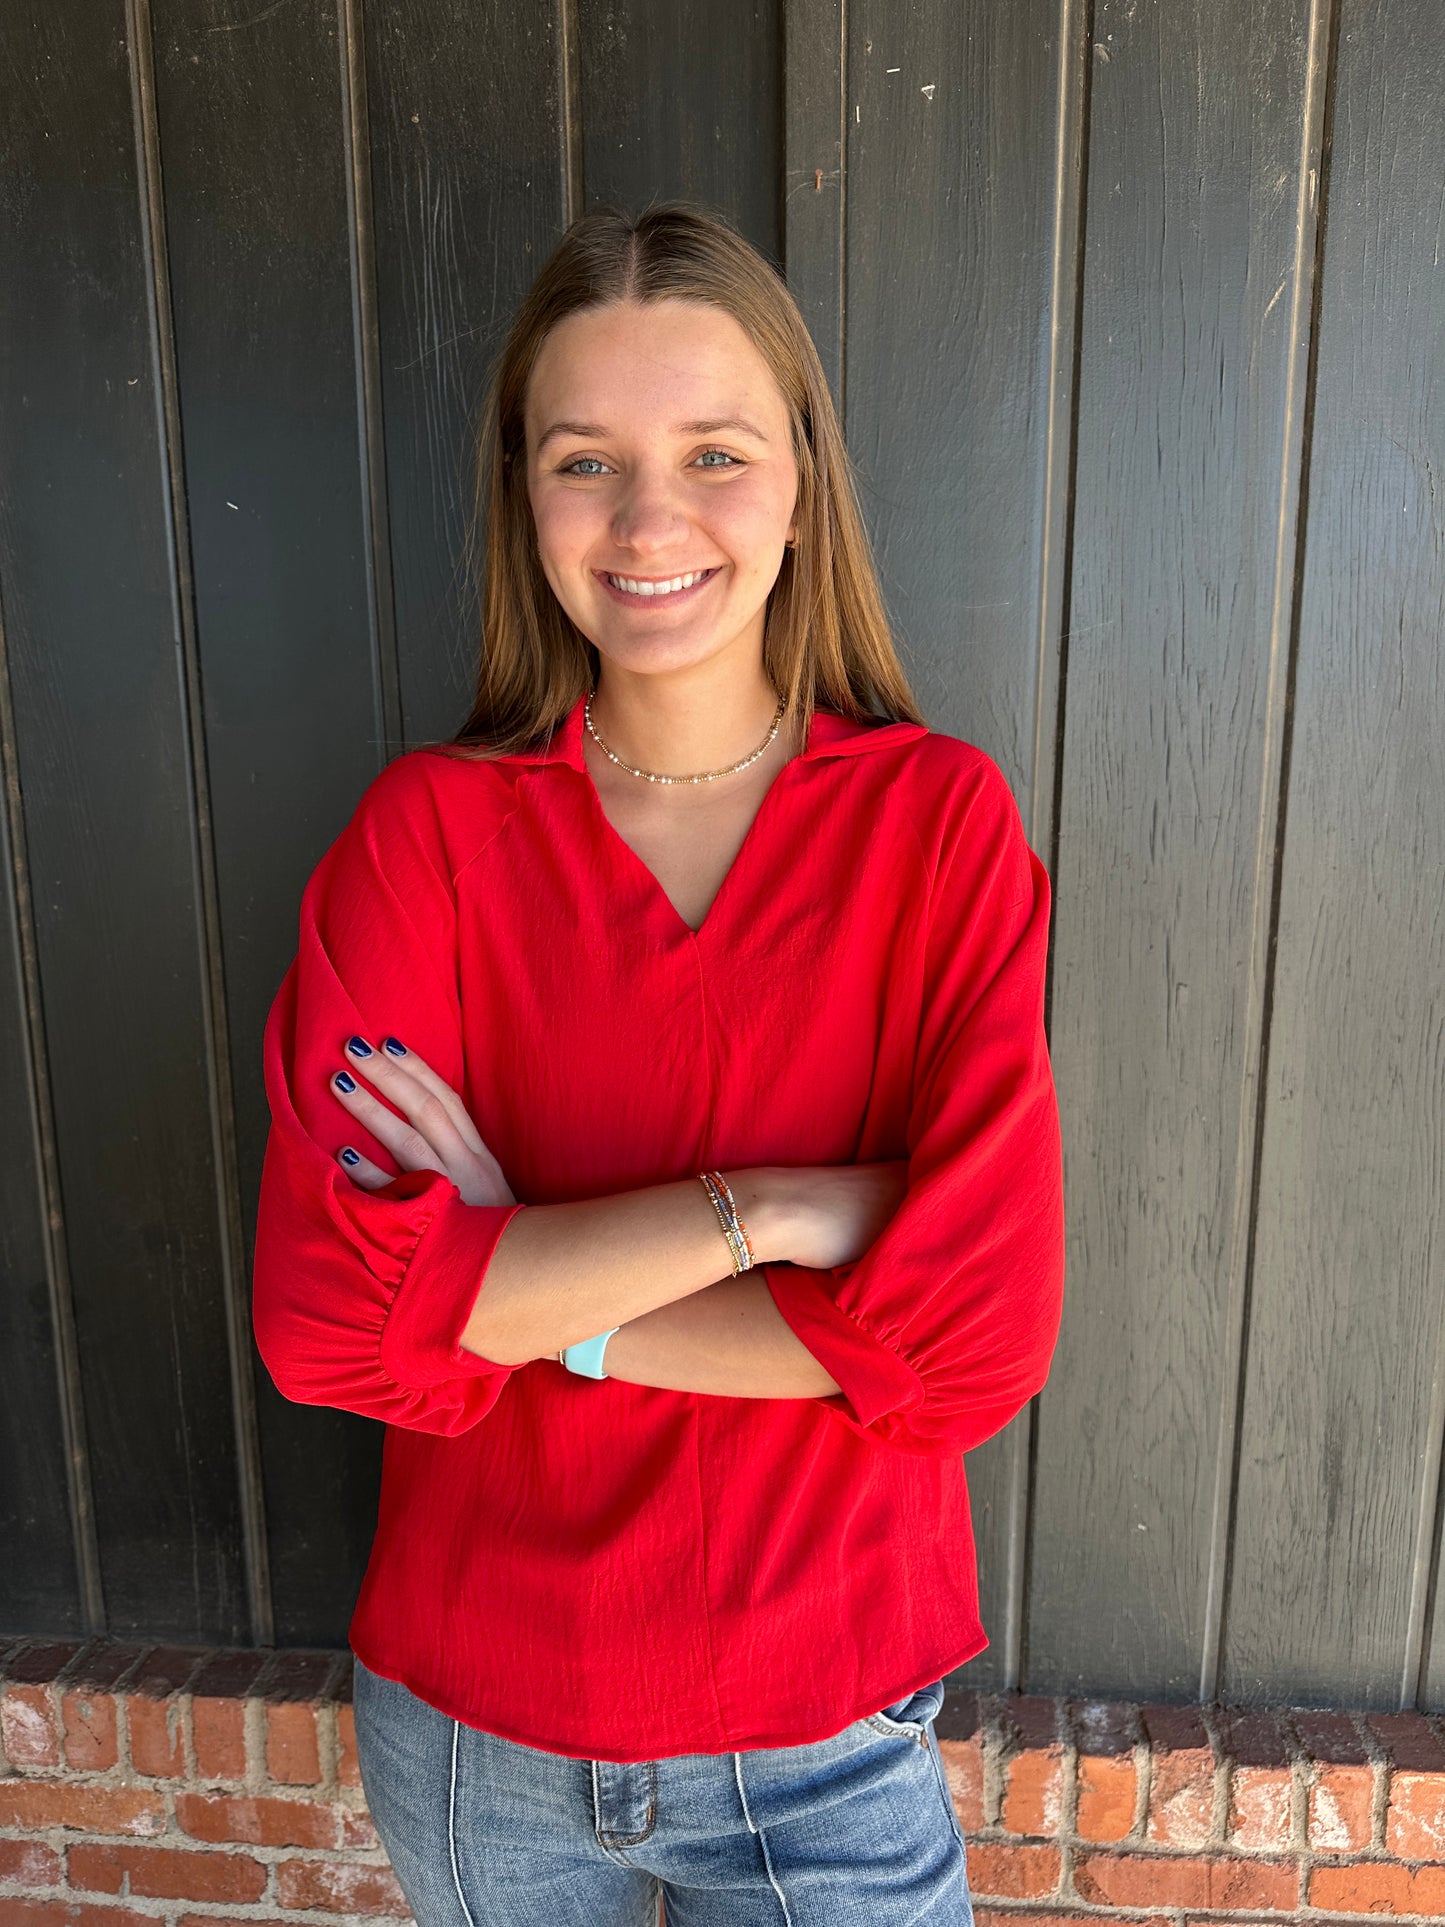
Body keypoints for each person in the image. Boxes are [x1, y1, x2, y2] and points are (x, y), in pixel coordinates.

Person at [251, 198, 1066, 1926]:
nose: (648, 522)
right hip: (480, 1739)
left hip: (825, 1730)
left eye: (712, 451)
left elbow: (967, 1344)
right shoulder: (427, 841)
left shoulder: (938, 829)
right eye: (581, 461)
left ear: (798, 479)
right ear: (521, 496)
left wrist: (531, 1276)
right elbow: (334, 1320)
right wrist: (777, 1207)